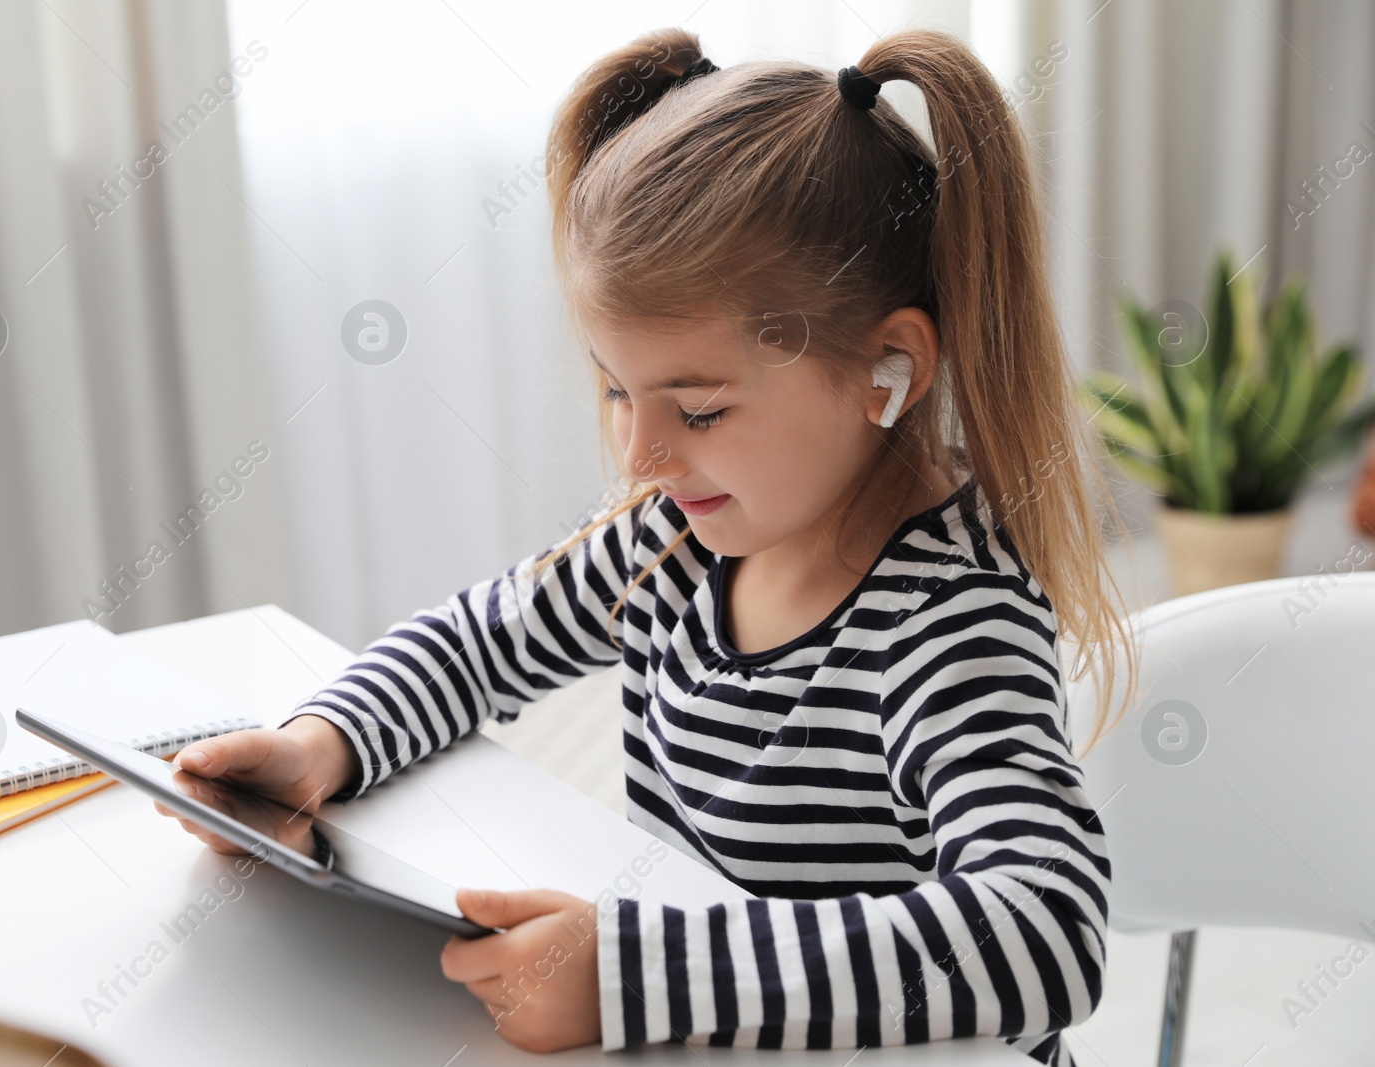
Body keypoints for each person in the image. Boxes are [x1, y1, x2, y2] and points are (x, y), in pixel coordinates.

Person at [158, 26, 1141, 1065]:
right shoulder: (674, 545)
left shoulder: (949, 624)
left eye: (700, 410)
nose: (641, 455)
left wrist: (637, 974)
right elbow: (476, 641)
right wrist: (325, 742)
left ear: (886, 370)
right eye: (618, 390)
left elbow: (1045, 932)